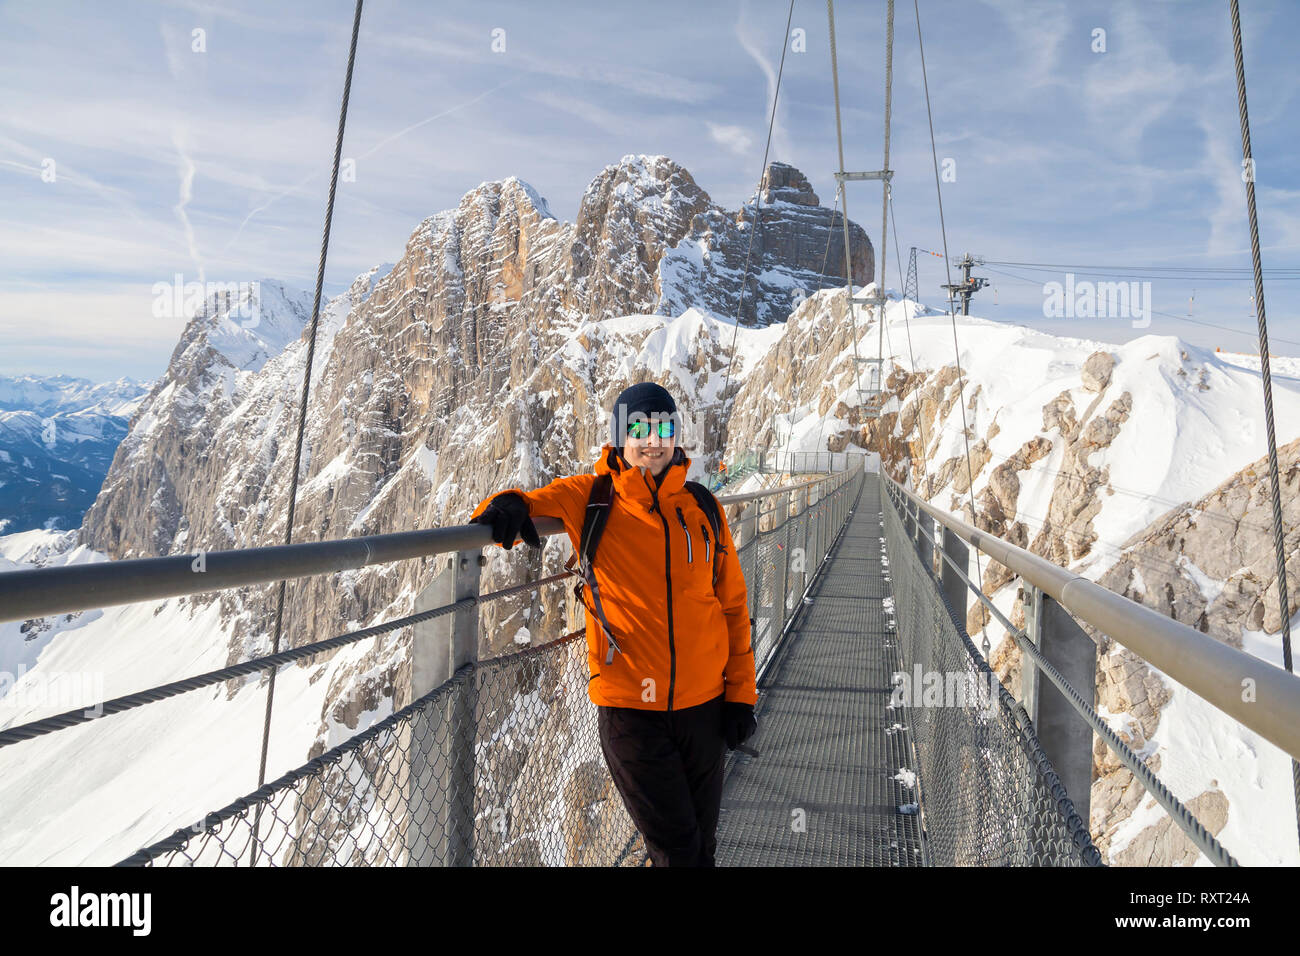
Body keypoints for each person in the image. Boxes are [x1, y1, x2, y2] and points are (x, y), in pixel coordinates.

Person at [467, 382, 758, 866]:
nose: (653, 440)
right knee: (681, 853)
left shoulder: (702, 507)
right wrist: (507, 506)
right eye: (640, 429)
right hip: (631, 712)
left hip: (705, 708)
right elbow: (525, 503)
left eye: (663, 427)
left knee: (700, 846)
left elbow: (732, 606)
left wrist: (741, 696)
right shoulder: (593, 498)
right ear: (621, 435)